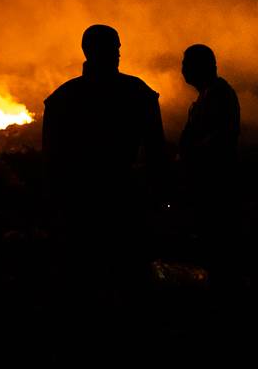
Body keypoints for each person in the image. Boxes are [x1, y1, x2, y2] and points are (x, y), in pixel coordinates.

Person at [42, 24, 166, 292]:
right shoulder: (138, 93)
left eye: (118, 46)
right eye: (114, 46)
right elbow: (157, 151)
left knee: (82, 276)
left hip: (79, 202)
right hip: (121, 199)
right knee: (125, 278)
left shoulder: (63, 97)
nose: (119, 52)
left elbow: (51, 158)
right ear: (93, 50)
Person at [177, 44, 241, 289]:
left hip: (214, 186)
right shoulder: (211, 94)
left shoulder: (218, 95)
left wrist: (190, 156)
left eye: (186, 64)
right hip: (208, 185)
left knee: (215, 246)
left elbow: (221, 138)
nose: (182, 70)